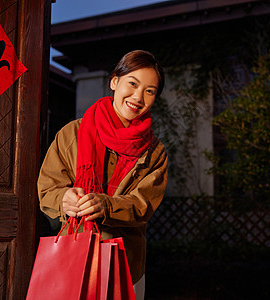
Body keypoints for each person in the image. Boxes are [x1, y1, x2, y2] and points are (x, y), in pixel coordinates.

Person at [37, 50, 168, 299]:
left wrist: (106, 206)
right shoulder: (71, 134)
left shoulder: (155, 152)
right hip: (73, 255)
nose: (138, 97)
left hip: (126, 263)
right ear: (115, 81)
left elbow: (143, 205)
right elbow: (47, 190)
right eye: (132, 83)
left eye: (149, 91)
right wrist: (64, 199)